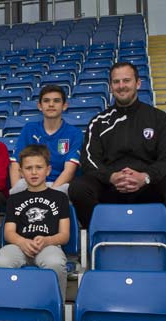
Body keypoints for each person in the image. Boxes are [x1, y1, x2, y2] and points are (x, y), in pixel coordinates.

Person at [68, 61, 166, 229]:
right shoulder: (98, 122)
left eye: (126, 80)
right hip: (110, 187)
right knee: (79, 188)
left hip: (148, 186)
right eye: (116, 82)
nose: (121, 86)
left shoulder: (158, 119)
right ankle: (99, 235)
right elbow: (89, 160)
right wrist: (111, 177)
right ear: (111, 87)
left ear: (138, 83)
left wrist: (145, 177)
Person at [0, 144, 70, 301]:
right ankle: (5, 306)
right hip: (19, 246)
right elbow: (8, 232)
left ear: (48, 170)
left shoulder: (60, 197)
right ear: (21, 172)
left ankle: (55, 307)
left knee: (55, 264)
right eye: (28, 168)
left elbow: (64, 235)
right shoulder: (14, 199)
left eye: (39, 167)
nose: (34, 172)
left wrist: (48, 240)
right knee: (1, 262)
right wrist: (22, 242)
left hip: (49, 246)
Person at [9, 85, 83, 196]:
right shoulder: (29, 129)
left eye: (56, 101)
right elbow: (16, 163)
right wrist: (16, 192)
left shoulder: (74, 133)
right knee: (17, 190)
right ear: (40, 106)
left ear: (64, 106)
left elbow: (69, 170)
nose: (51, 104)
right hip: (31, 183)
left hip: (59, 184)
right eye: (46, 101)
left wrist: (49, 194)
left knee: (67, 191)